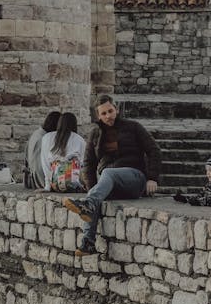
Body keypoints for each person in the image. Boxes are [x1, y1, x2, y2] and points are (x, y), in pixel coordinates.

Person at [63, 94, 161, 256]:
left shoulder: (133, 127)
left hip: (134, 177)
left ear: (116, 109)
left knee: (100, 186)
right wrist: (91, 187)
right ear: (98, 116)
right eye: (104, 113)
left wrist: (152, 177)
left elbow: (154, 150)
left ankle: (88, 204)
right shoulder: (95, 134)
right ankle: (88, 243)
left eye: (110, 111)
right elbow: (88, 164)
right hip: (110, 180)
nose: (108, 116)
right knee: (95, 195)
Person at [41, 112, 86, 191]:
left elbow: (45, 164)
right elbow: (84, 164)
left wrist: (47, 186)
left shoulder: (47, 137)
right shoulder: (80, 140)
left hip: (56, 184)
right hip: (74, 184)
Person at [24, 110, 60, 189]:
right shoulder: (45, 139)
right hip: (39, 180)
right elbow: (40, 167)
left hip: (31, 179)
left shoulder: (36, 134)